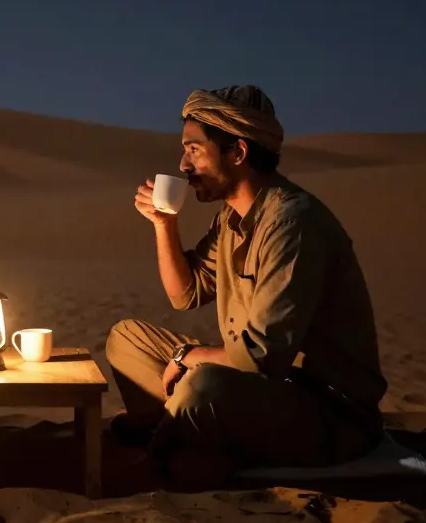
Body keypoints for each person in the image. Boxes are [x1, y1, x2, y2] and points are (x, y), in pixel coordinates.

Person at [105, 84, 388, 487]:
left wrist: (189, 356)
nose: (183, 164)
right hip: (260, 389)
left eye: (194, 150)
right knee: (127, 340)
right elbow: (186, 294)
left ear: (237, 153)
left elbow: (260, 357)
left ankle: (165, 449)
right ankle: (181, 428)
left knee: (201, 384)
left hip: (326, 412)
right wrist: (164, 224)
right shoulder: (232, 218)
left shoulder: (292, 224)